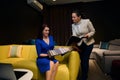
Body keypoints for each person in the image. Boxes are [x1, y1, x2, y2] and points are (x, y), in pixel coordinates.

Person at [71, 9, 95, 80]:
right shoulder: (73, 25)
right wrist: (73, 39)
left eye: (74, 17)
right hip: (80, 45)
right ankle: (84, 74)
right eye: (72, 17)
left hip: (89, 44)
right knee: (82, 60)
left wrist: (88, 35)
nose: (72, 19)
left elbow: (93, 31)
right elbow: (74, 34)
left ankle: (84, 77)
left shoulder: (87, 21)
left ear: (79, 17)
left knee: (85, 60)